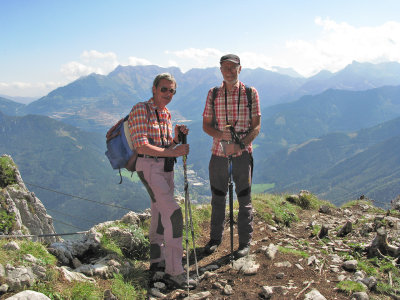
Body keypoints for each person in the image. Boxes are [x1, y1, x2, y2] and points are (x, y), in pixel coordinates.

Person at [128, 73, 196, 289]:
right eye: (164, 89)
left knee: (159, 211)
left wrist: (175, 139)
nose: (168, 94)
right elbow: (141, 146)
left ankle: (157, 261)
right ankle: (175, 271)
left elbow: (164, 146)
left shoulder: (166, 113)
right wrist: (174, 152)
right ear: (154, 89)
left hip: (165, 169)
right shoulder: (141, 109)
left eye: (172, 91)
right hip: (149, 168)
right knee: (174, 215)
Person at [202, 54, 261, 258]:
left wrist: (240, 145)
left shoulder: (251, 93)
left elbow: (256, 126)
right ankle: (215, 239)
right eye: (225, 67)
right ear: (220, 70)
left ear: (240, 68)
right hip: (218, 153)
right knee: (218, 198)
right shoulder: (214, 93)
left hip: (243, 155)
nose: (229, 71)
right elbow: (206, 125)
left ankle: (244, 243)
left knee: (244, 199)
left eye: (232, 67)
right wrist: (220, 135)